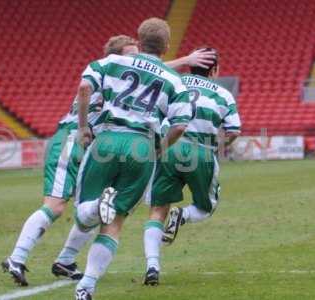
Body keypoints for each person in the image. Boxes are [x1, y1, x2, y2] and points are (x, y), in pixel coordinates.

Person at [1, 35, 139, 287]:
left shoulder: (118, 79)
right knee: (55, 206)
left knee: (94, 209)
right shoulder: (108, 75)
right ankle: (16, 258)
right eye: (131, 56)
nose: (136, 61)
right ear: (115, 57)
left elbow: (152, 74)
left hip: (92, 148)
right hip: (72, 139)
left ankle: (65, 260)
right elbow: (86, 90)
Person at [73, 18, 192, 300]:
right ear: (166, 46)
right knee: (115, 222)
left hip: (108, 139)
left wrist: (82, 127)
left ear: (138, 41)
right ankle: (86, 287)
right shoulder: (174, 79)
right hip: (142, 146)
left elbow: (83, 89)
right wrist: (161, 147)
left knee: (82, 214)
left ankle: (94, 206)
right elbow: (180, 125)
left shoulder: (112, 61)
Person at [143, 48, 242, 286]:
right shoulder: (223, 94)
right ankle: (183, 215)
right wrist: (216, 146)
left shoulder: (174, 82)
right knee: (205, 207)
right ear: (215, 70)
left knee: (157, 209)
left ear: (191, 65)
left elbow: (150, 78)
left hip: (169, 147)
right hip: (201, 152)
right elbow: (234, 131)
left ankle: (152, 266)